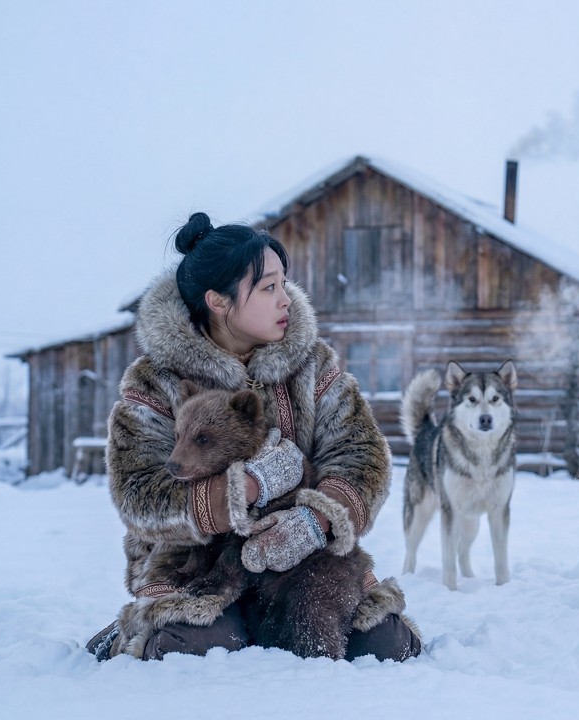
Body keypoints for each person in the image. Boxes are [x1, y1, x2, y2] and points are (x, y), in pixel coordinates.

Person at [86, 212, 421, 661]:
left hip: (306, 567)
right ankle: (136, 632)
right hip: (195, 571)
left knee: (386, 645)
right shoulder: (154, 382)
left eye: (284, 284)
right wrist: (243, 489)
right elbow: (138, 494)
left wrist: (314, 521)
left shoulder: (313, 364)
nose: (286, 299)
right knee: (189, 650)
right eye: (268, 288)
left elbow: (361, 455)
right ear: (219, 302)